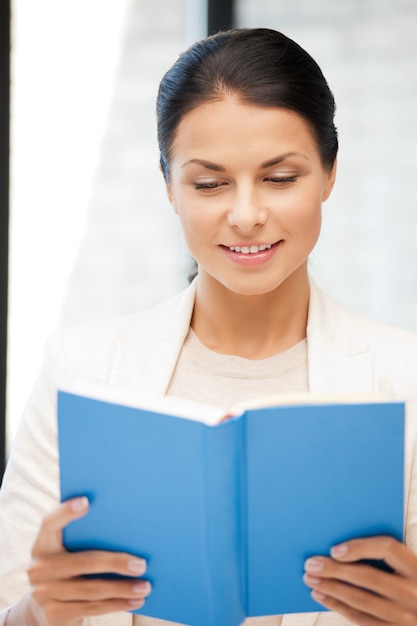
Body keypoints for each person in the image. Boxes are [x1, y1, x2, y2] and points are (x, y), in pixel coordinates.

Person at [1, 26, 417, 626]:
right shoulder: (80, 370)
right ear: (169, 186)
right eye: (209, 183)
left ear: (329, 174)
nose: (246, 215)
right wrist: (40, 611)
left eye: (280, 178)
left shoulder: (405, 381)